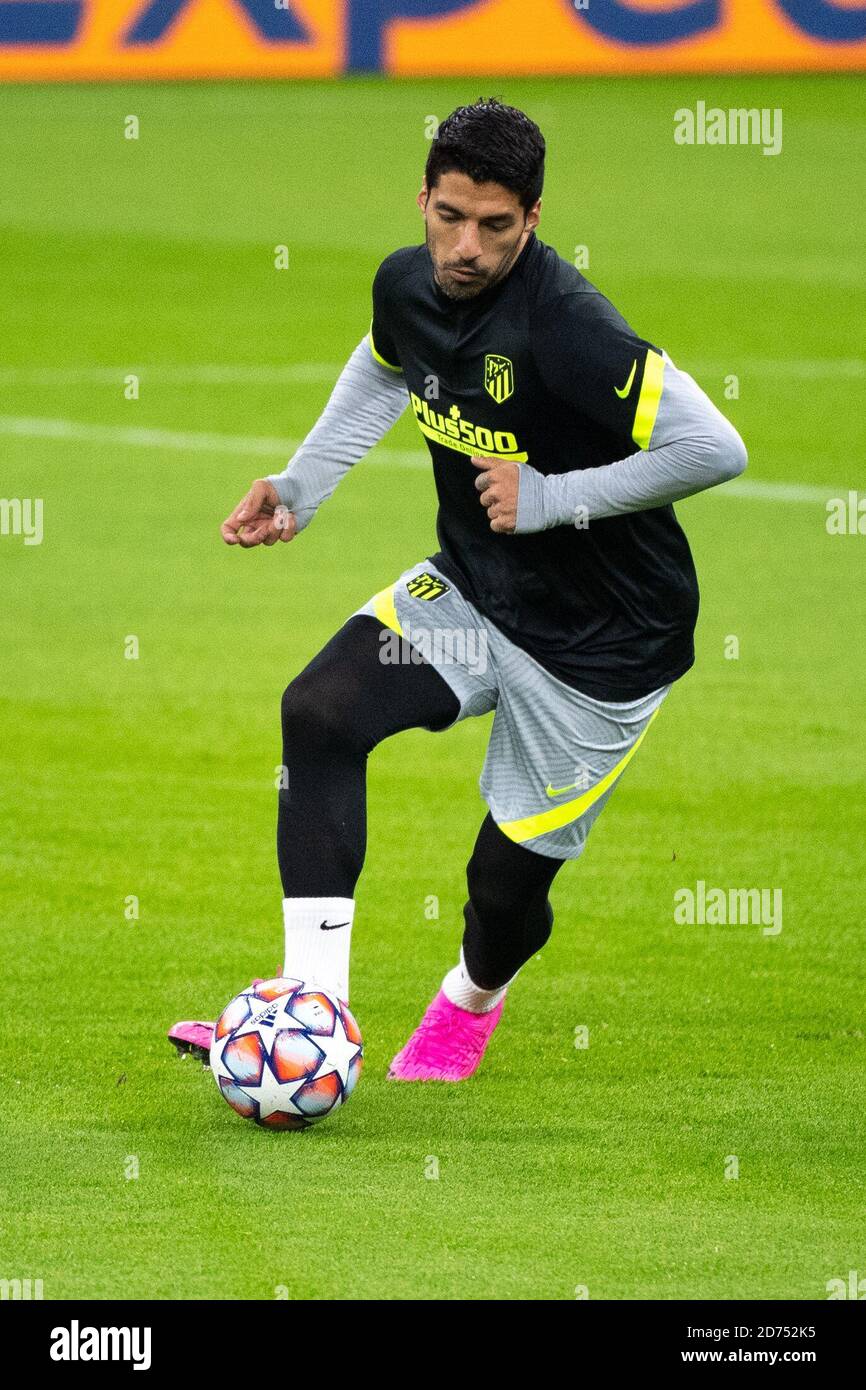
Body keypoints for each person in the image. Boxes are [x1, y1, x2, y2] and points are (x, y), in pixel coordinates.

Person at [169, 98, 746, 1083]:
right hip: (474, 595)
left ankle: (471, 997)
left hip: (601, 646)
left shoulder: (568, 328)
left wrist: (555, 495)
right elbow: (386, 364)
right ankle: (311, 1008)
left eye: (493, 224)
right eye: (447, 216)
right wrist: (302, 485)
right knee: (319, 712)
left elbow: (713, 446)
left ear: (531, 217)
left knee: (500, 894)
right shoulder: (408, 283)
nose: (464, 246)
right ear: (423, 199)